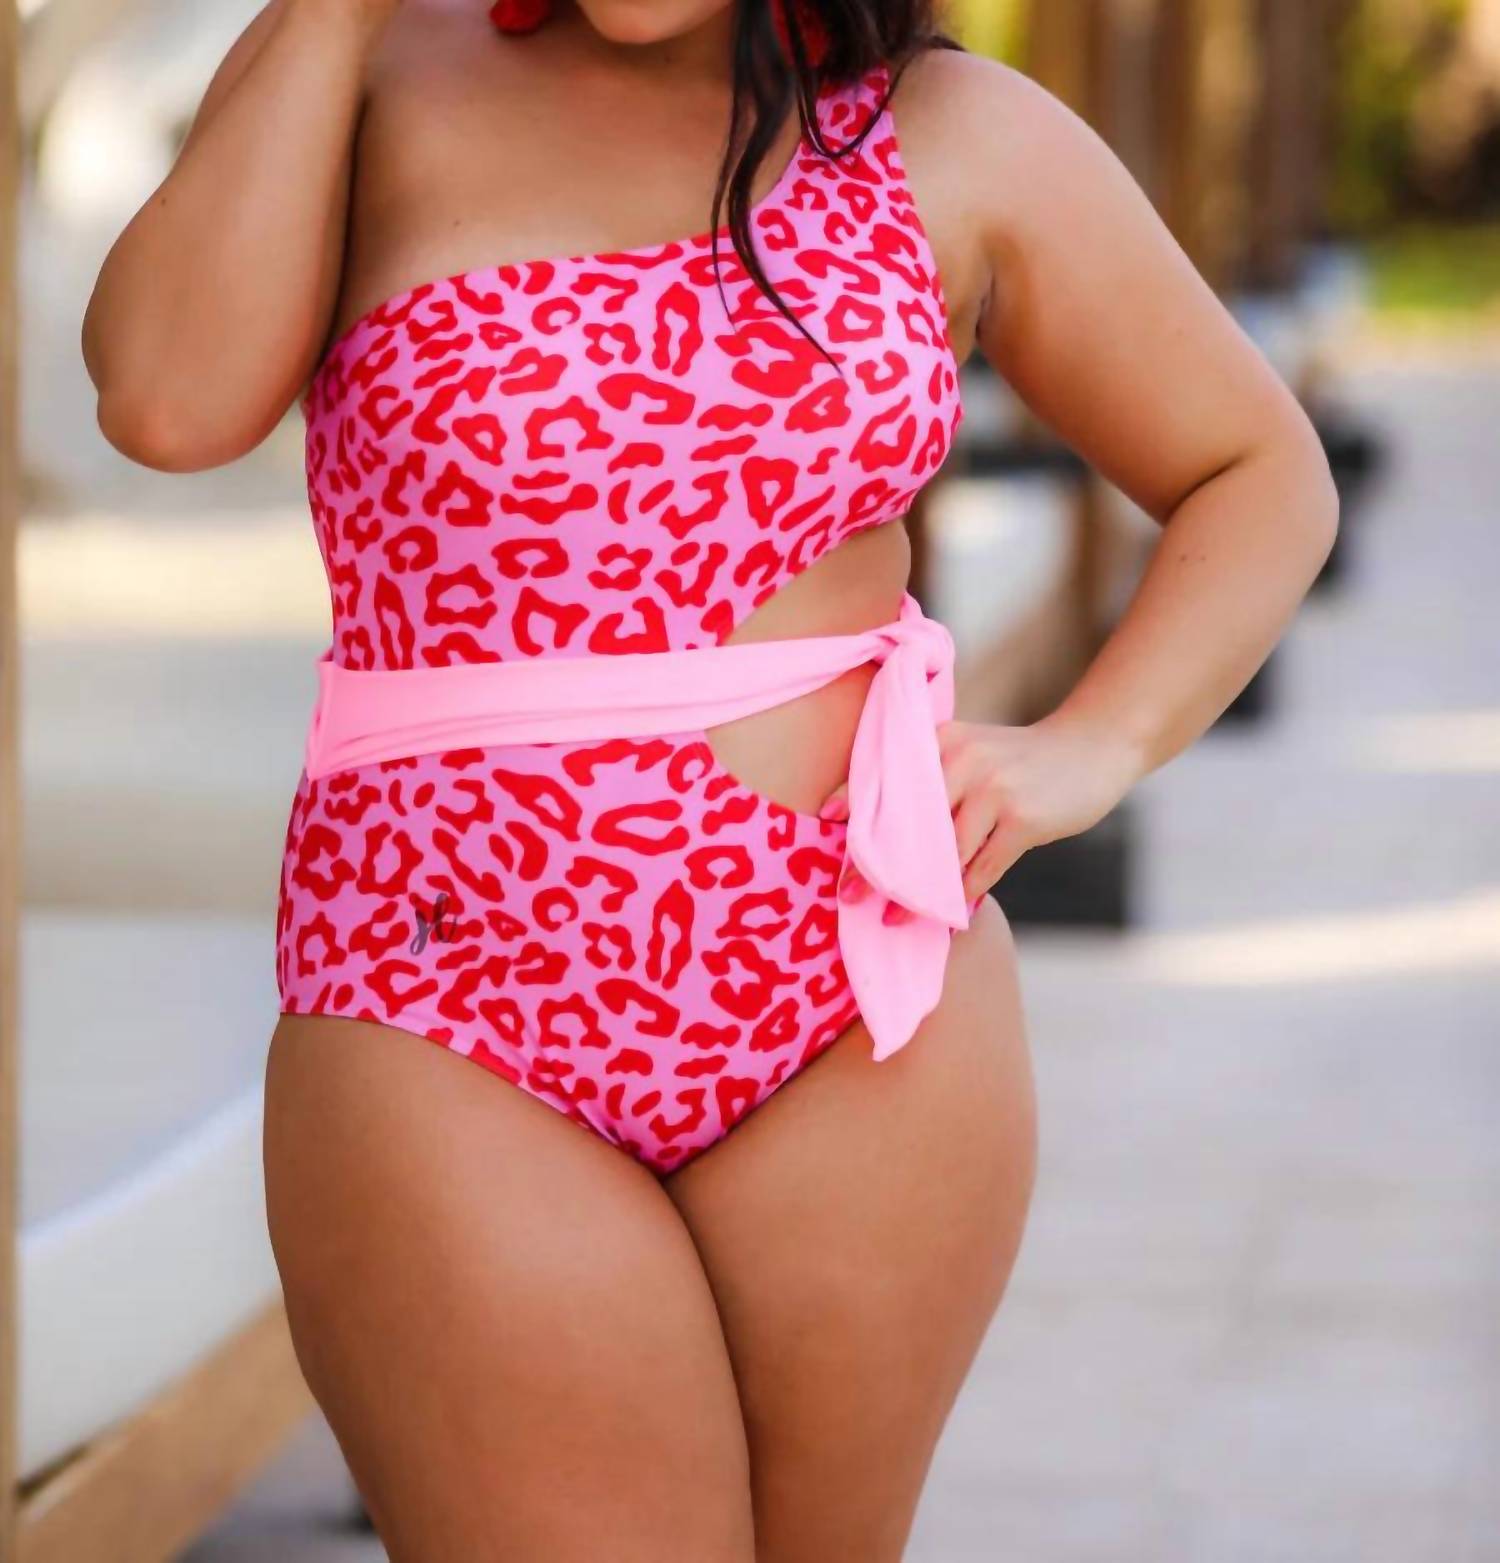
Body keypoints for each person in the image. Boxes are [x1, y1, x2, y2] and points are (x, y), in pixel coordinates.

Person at [80, 0, 1338, 1554]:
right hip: (441, 1004)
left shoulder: (947, 131)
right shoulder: (375, 76)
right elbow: (165, 402)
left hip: (852, 1006)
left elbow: (1256, 470)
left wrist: (1095, 744)